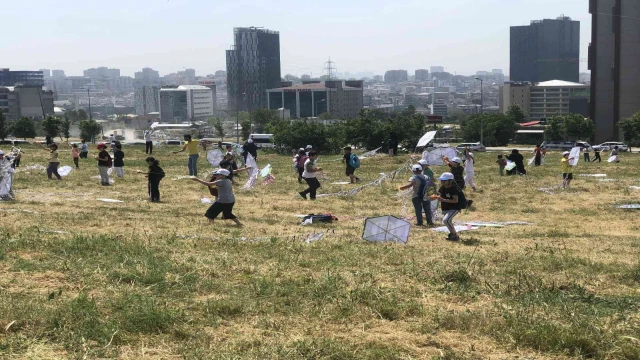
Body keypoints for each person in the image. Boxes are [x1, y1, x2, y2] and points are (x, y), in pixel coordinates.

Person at [433, 172, 461, 241]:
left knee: (446, 220)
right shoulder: (442, 187)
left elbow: (455, 200)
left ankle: (455, 235)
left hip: (454, 208)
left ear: (450, 181)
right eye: (442, 180)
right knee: (449, 221)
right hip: (445, 207)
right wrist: (435, 196)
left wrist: (444, 200)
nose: (442, 182)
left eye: (444, 180)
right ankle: (452, 234)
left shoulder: (453, 189)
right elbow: (440, 194)